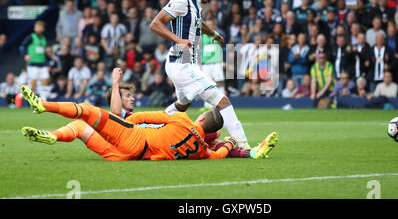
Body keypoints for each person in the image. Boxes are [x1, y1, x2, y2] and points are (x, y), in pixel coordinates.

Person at [20, 85, 278, 161]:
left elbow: (148, 116)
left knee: (86, 112)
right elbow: (218, 154)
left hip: (133, 138)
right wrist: (232, 142)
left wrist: (127, 122)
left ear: (200, 117)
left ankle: (44, 106)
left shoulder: (180, 119)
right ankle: (53, 136)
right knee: (79, 128)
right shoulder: (201, 150)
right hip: (130, 156)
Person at [149, 0, 250, 148]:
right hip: (182, 63)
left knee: (182, 105)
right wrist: (178, 40)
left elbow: (197, 23)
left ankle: (150, 131)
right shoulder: (180, 1)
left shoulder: (196, 5)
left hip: (187, 63)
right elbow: (155, 23)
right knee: (222, 100)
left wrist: (214, 33)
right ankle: (243, 144)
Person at [19, 20, 50, 93]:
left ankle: (44, 99)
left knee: (45, 81)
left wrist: (48, 63)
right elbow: (22, 46)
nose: (37, 28)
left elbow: (44, 52)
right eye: (36, 27)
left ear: (43, 29)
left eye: (40, 27)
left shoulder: (44, 38)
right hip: (33, 64)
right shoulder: (30, 37)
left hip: (42, 64)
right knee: (33, 82)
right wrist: (25, 55)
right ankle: (34, 101)